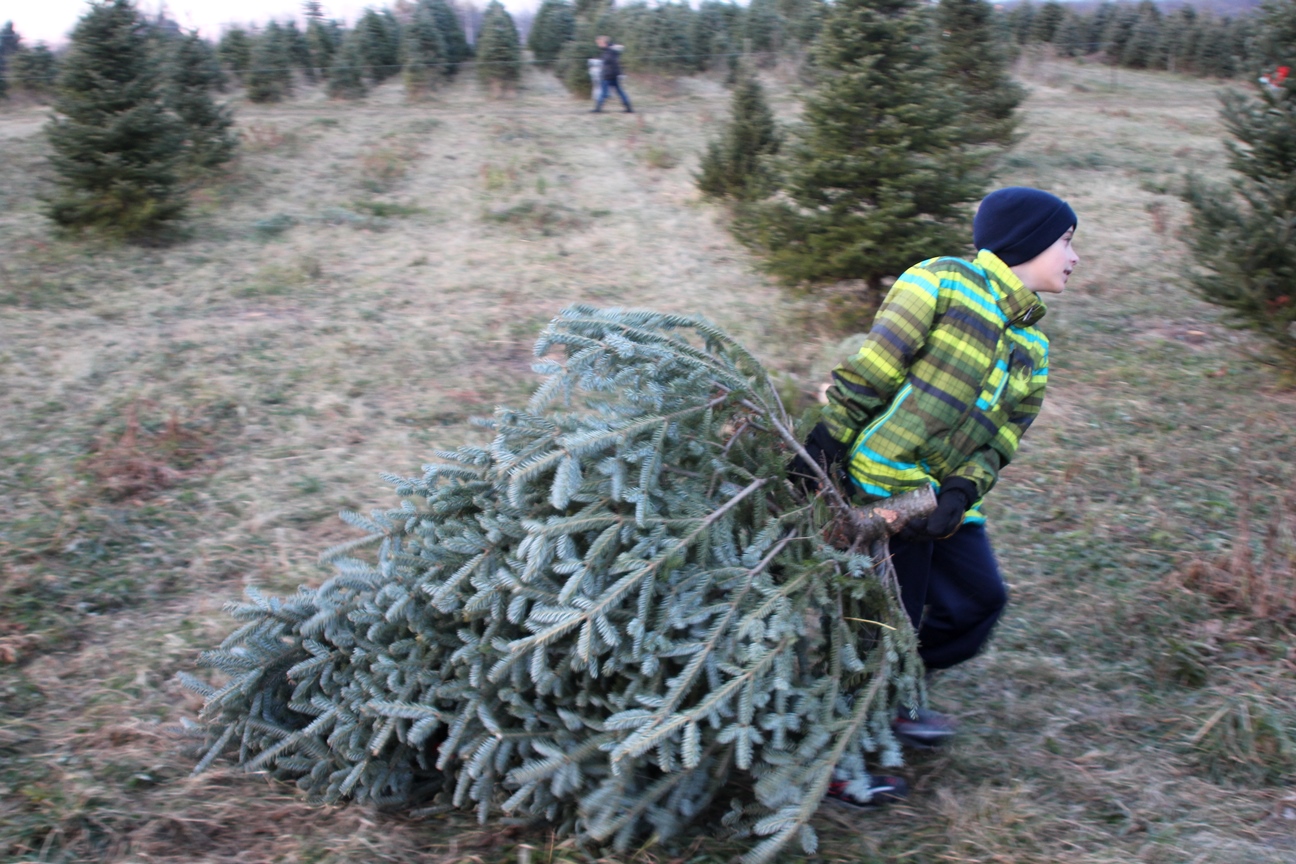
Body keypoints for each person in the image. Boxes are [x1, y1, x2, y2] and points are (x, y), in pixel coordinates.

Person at [791, 187, 1079, 807]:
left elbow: (1003, 435)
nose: (1073, 257)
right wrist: (825, 445)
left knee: (979, 603)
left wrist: (960, 491)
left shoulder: (1033, 345)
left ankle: (892, 696)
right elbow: (875, 366)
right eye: (1066, 241)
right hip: (882, 487)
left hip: (945, 503)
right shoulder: (941, 283)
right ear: (1028, 242)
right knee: (882, 623)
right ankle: (841, 759)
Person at [591, 35, 632, 114]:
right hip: (612, 75)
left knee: (604, 92)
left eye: (599, 43)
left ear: (603, 43)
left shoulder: (609, 51)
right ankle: (628, 107)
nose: (598, 45)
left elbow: (613, 63)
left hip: (608, 75)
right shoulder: (611, 50)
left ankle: (598, 108)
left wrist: (618, 73)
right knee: (619, 91)